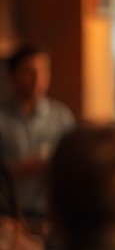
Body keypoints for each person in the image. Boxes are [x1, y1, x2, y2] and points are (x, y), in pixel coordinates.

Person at [0, 45, 75, 220]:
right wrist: (19, 169)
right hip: (8, 216)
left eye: (43, 71)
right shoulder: (2, 118)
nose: (37, 78)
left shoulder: (61, 116)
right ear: (12, 76)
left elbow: (74, 165)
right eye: (29, 72)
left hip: (51, 215)